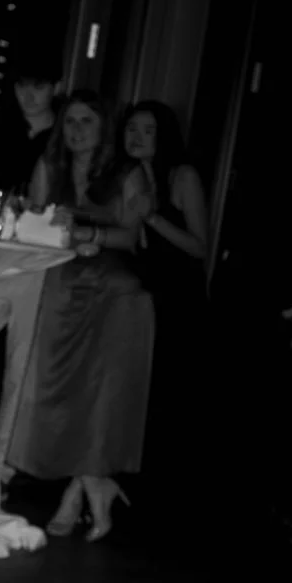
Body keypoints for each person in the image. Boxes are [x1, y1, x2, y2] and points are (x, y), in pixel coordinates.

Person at [6, 90, 154, 539]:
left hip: (113, 291)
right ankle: (88, 483)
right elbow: (32, 225)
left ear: (104, 126)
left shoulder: (126, 171)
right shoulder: (50, 166)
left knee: (100, 397)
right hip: (60, 284)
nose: (76, 130)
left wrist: (86, 234)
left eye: (87, 121)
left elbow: (131, 237)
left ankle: (79, 489)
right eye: (70, 121)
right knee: (57, 392)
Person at [0, 52, 64, 478]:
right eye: (23, 86)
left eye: (39, 86)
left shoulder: (64, 135)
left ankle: (0, 467)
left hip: (42, 257)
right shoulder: (0, 130)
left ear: (55, 88)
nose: (30, 95)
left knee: (21, 366)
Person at [123, 101, 207, 483]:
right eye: (131, 128)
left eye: (148, 129)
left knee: (167, 392)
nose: (136, 136)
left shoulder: (182, 175)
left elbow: (200, 246)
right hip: (145, 291)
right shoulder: (132, 175)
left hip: (178, 296)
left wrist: (152, 217)